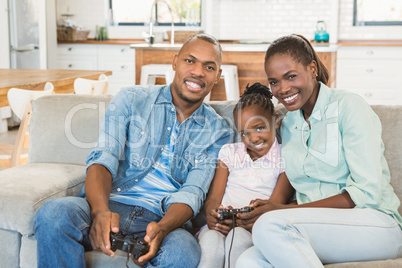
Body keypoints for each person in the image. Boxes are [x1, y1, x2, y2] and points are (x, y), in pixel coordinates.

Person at [34, 33, 234, 268]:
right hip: (109, 204)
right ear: (175, 61)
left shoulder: (219, 131)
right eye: (190, 61)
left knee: (183, 254)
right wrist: (99, 211)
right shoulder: (131, 100)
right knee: (52, 214)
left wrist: (162, 228)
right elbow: (103, 158)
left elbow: (193, 191)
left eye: (209, 66)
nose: (198, 72)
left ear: (218, 76)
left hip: (164, 219)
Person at [236, 34, 402, 267]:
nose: (283, 89)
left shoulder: (349, 106)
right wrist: (276, 209)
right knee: (247, 261)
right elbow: (308, 193)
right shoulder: (290, 124)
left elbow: (366, 192)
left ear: (312, 68)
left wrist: (282, 212)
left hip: (374, 223)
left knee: (270, 225)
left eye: (291, 76)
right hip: (320, 227)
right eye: (274, 82)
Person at [197, 83, 294, 268]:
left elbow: (274, 206)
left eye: (259, 128)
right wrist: (212, 214)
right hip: (222, 224)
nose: (253, 138)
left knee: (238, 238)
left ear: (276, 120)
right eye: (244, 133)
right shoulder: (229, 153)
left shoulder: (286, 157)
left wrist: (243, 222)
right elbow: (213, 199)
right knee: (210, 241)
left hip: (253, 228)